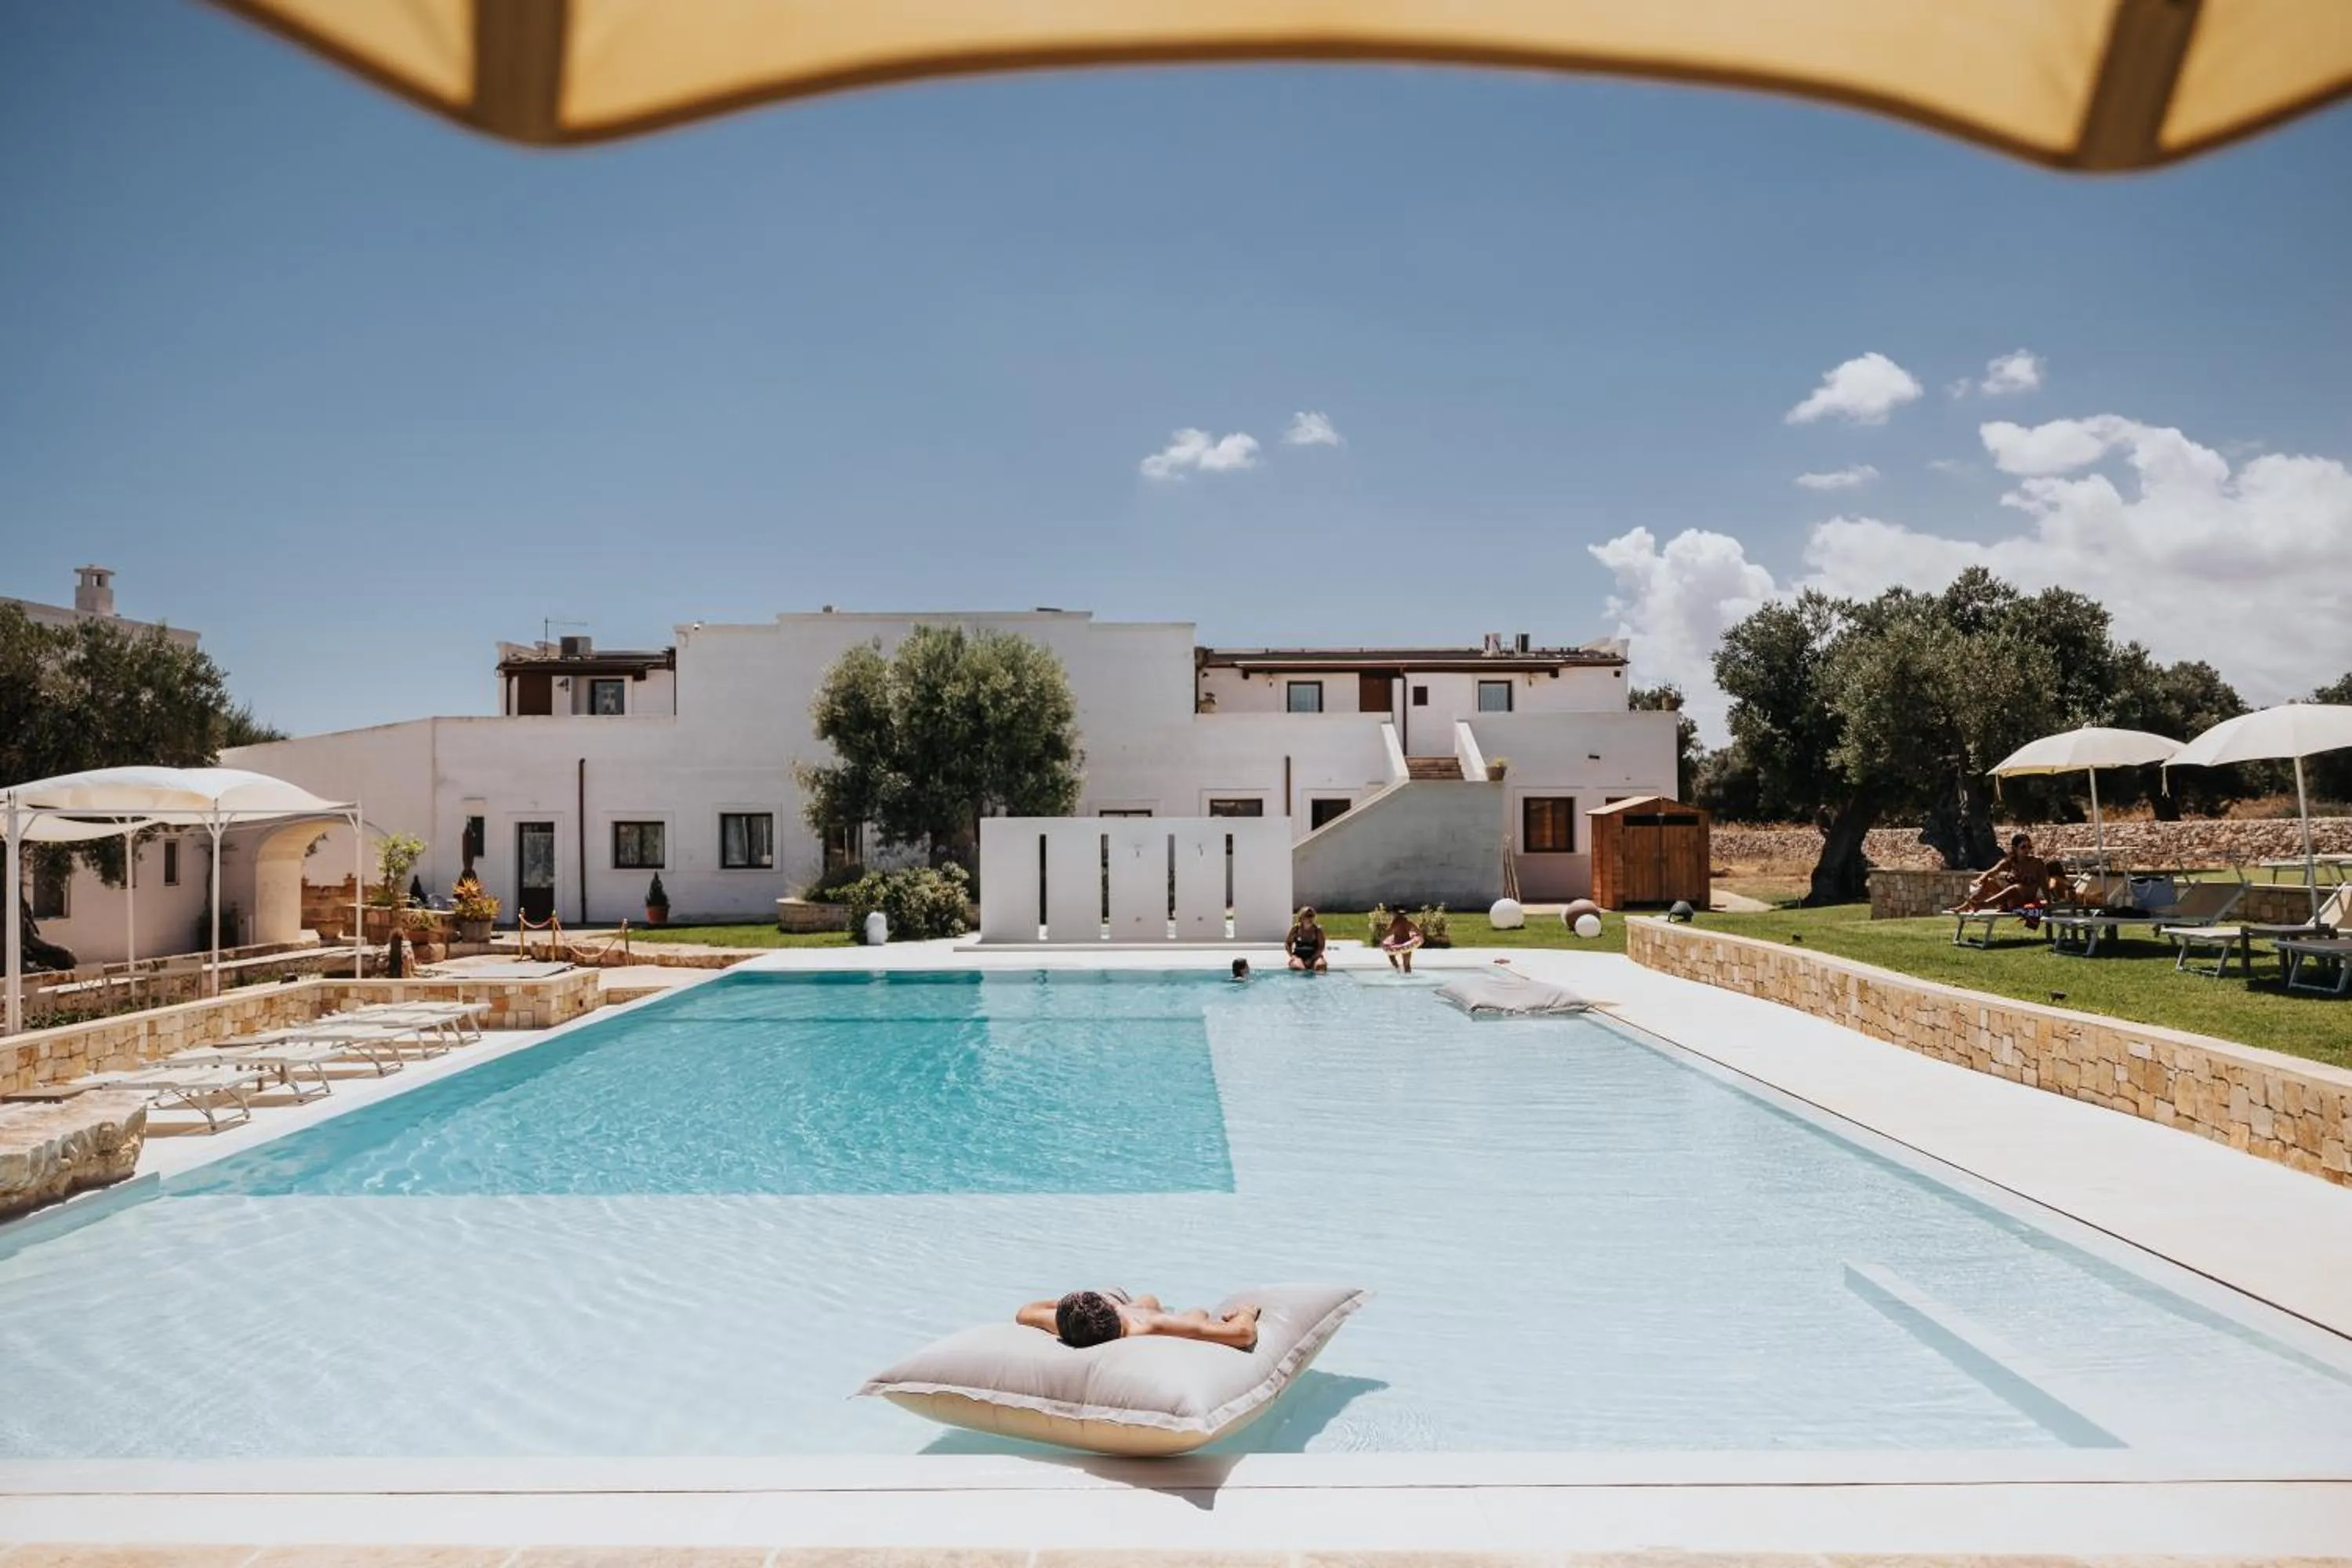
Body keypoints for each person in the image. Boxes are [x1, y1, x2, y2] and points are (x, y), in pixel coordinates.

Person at [1017, 1289, 1261, 1352]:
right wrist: (1246, 1313)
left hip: (1132, 1311)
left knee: (1147, 1300)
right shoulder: (1154, 1327)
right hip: (1151, 1317)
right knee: (1197, 1312)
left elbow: (1026, 1312)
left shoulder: (1069, 1327)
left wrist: (1069, 1307)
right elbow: (1243, 1334)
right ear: (1113, 1309)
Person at [1957, 833, 2066, 918]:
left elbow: (2044, 884)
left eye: (2029, 847)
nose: (2027, 850)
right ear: (2015, 848)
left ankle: (1983, 905)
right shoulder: (2009, 862)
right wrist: (1981, 879)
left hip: (2022, 903)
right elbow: (1991, 872)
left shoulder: (2037, 863)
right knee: (1989, 881)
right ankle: (1966, 906)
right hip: (2006, 903)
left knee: (2017, 887)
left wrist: (2049, 902)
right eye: (2023, 847)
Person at [1379, 909, 1424, 973]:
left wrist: (1382, 941)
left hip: (1398, 942)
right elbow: (1417, 930)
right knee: (1407, 964)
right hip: (1407, 942)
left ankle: (1398, 969)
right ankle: (1408, 977)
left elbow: (1389, 932)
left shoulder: (1396, 923)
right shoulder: (1408, 921)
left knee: (1391, 956)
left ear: (1395, 914)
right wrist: (1421, 937)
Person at [1285, 907, 1328, 973]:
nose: (1310, 918)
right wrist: (1292, 956)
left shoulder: (1317, 930)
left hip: (1314, 956)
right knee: (1299, 968)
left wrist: (1311, 959)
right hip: (1299, 956)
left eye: (1312, 916)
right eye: (1308, 916)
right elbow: (1288, 943)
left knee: (1321, 966)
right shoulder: (1296, 929)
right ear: (1301, 918)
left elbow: (1321, 947)